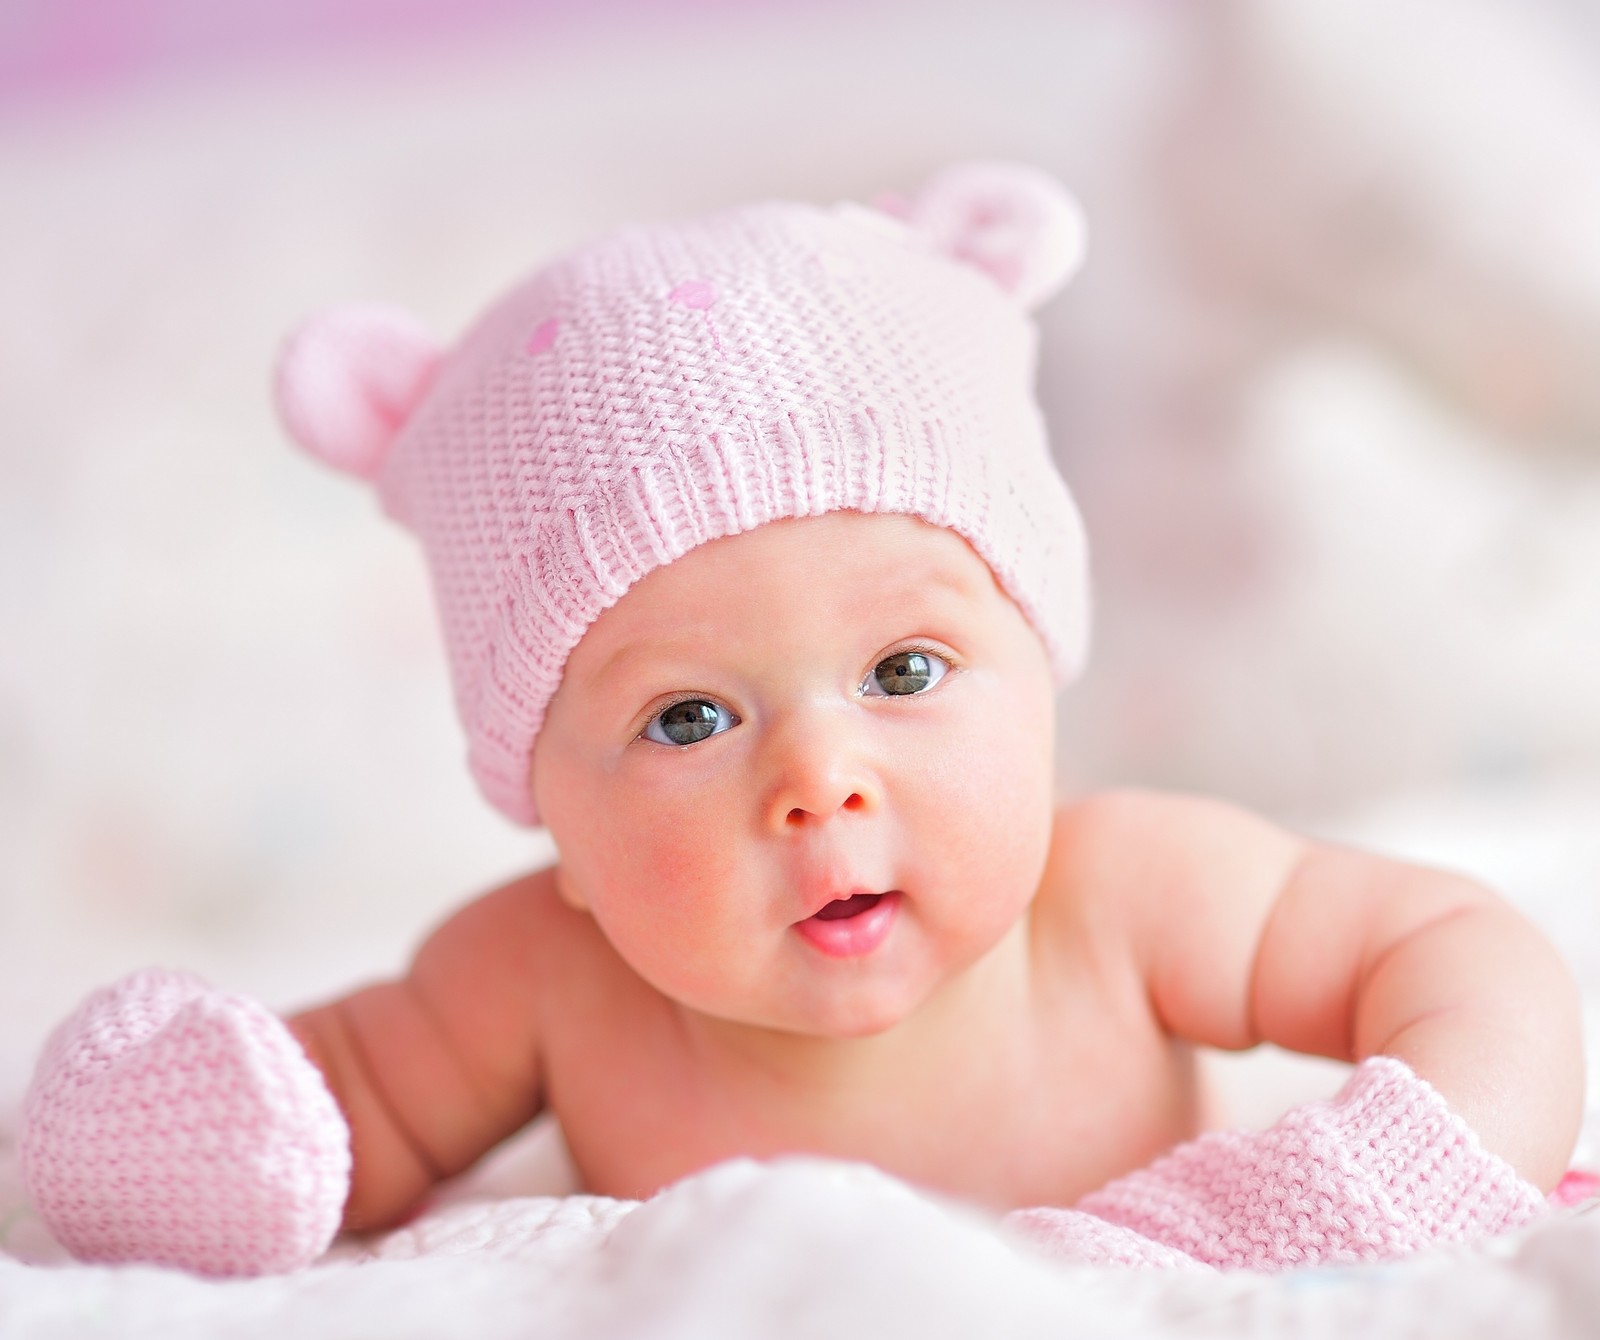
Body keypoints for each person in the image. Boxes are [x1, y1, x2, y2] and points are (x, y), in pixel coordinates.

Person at [18, 163, 1584, 1278]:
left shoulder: (1121, 900)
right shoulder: (540, 979)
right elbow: (338, 1107)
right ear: (551, 816)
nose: (817, 782)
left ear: (1041, 681)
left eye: (904, 675)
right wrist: (199, 1144)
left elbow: (1453, 950)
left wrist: (1406, 1164)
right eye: (688, 716)